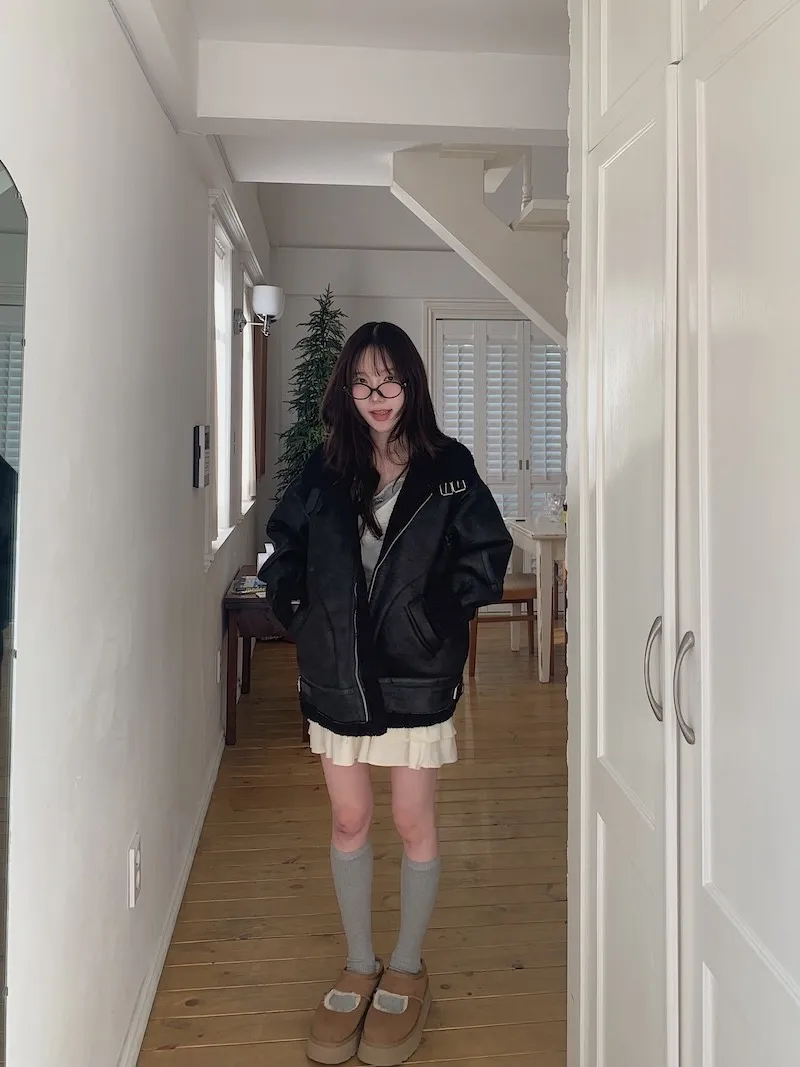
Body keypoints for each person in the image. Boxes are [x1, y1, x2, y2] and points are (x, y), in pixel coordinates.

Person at [259, 321, 512, 1066]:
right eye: (362, 382)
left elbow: (487, 552)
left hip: (416, 673)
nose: (377, 395)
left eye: (390, 379)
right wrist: (301, 613)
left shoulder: (449, 467)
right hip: (337, 673)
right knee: (349, 817)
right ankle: (360, 962)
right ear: (346, 389)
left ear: (412, 384)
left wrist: (437, 616)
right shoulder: (325, 468)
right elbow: (282, 547)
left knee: (409, 818)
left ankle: (405, 963)